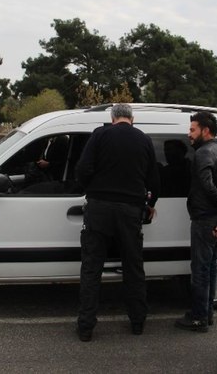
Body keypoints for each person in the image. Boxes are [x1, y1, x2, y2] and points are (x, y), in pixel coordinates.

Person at [75, 103, 160, 342]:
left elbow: (83, 168)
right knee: (133, 267)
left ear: (112, 118)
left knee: (92, 268)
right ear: (132, 118)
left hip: (99, 207)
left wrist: (89, 189)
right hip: (130, 210)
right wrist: (151, 202)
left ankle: (86, 327)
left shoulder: (100, 135)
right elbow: (154, 179)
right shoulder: (143, 140)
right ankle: (137, 322)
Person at [175, 112, 217, 332]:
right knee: (210, 268)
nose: (189, 134)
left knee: (200, 269)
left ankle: (199, 317)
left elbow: (207, 185)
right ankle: (206, 312)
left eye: (192, 130)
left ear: (205, 130)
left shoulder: (203, 153)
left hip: (206, 219)